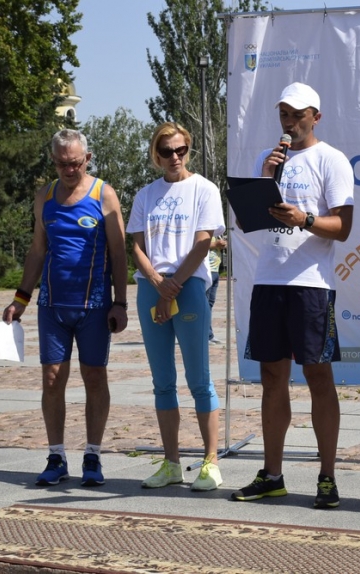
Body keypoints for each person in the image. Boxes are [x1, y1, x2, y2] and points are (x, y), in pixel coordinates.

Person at [230, 82, 354, 509]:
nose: (290, 121)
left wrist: (305, 218)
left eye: (298, 114)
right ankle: (273, 474)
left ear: (315, 117)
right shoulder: (270, 161)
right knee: (271, 378)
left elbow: (344, 227)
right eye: (284, 113)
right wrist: (264, 181)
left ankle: (327, 476)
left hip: (312, 285)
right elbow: (249, 221)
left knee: (318, 376)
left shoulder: (331, 160)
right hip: (270, 279)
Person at [2, 128, 129, 488]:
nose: (68, 170)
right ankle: (56, 455)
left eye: (74, 163)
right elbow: (38, 250)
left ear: (86, 159)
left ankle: (93, 454)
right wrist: (21, 298)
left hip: (94, 305)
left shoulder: (103, 195)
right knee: (52, 379)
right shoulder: (44, 196)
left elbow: (118, 253)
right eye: (61, 164)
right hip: (53, 306)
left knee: (94, 377)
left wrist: (120, 302)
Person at [127, 122, 225, 492]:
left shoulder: (204, 189)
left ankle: (210, 462)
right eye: (166, 151)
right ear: (156, 153)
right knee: (162, 381)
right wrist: (156, 283)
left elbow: (203, 243)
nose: (174, 157)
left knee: (199, 379)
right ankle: (171, 463)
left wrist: (173, 288)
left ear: (189, 150)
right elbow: (136, 246)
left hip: (188, 286)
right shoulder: (145, 195)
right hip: (152, 288)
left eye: (181, 150)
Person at [206, 235, 227, 345]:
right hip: (206, 271)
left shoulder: (217, 233)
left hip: (215, 271)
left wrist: (223, 244)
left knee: (209, 303)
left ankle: (209, 335)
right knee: (204, 305)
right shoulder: (204, 231)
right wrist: (216, 244)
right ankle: (205, 335)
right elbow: (198, 245)